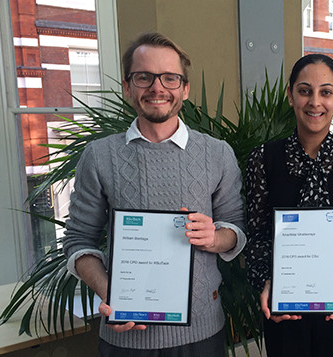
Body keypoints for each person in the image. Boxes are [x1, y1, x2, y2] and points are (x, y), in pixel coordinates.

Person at [62, 32, 246, 356]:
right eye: (144, 77)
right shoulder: (99, 156)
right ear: (127, 86)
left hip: (202, 333)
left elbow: (236, 227)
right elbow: (79, 241)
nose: (157, 88)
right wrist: (111, 291)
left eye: (170, 78)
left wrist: (215, 238)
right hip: (125, 338)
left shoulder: (218, 153)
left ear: (184, 88)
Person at [244, 53, 333, 357]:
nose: (315, 102)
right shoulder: (263, 159)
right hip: (285, 311)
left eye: (326, 92)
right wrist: (267, 279)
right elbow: (256, 237)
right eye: (304, 90)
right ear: (290, 95)